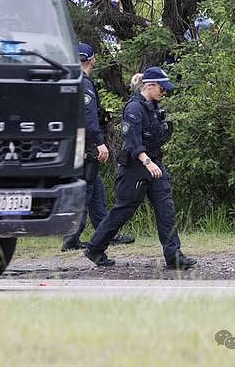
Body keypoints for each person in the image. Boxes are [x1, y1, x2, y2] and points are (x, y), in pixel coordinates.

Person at [84, 67, 196, 269]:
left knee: (166, 207)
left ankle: (174, 256)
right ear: (150, 86)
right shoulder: (134, 108)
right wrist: (147, 162)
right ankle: (95, 248)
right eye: (162, 89)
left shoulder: (152, 106)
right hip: (136, 168)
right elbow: (132, 140)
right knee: (123, 210)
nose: (164, 93)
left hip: (154, 164)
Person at [61, 43, 135, 251]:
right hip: (84, 147)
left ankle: (105, 232)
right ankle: (72, 238)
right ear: (92, 60)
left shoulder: (69, 81)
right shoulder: (83, 84)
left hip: (74, 145)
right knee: (86, 190)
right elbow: (88, 117)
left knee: (97, 191)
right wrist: (99, 142)